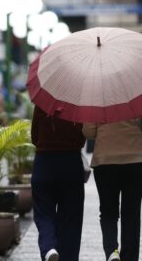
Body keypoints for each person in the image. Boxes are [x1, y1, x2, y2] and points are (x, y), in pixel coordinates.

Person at [31, 106, 86, 261]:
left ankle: (49, 247)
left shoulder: (43, 103)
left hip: (44, 162)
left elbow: (34, 136)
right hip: (70, 163)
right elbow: (82, 138)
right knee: (71, 218)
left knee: (43, 213)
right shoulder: (76, 104)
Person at [83, 120, 142, 261]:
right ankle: (130, 257)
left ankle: (111, 251)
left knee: (108, 211)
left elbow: (88, 132)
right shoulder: (136, 97)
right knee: (132, 214)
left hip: (105, 160)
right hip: (135, 160)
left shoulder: (97, 98)